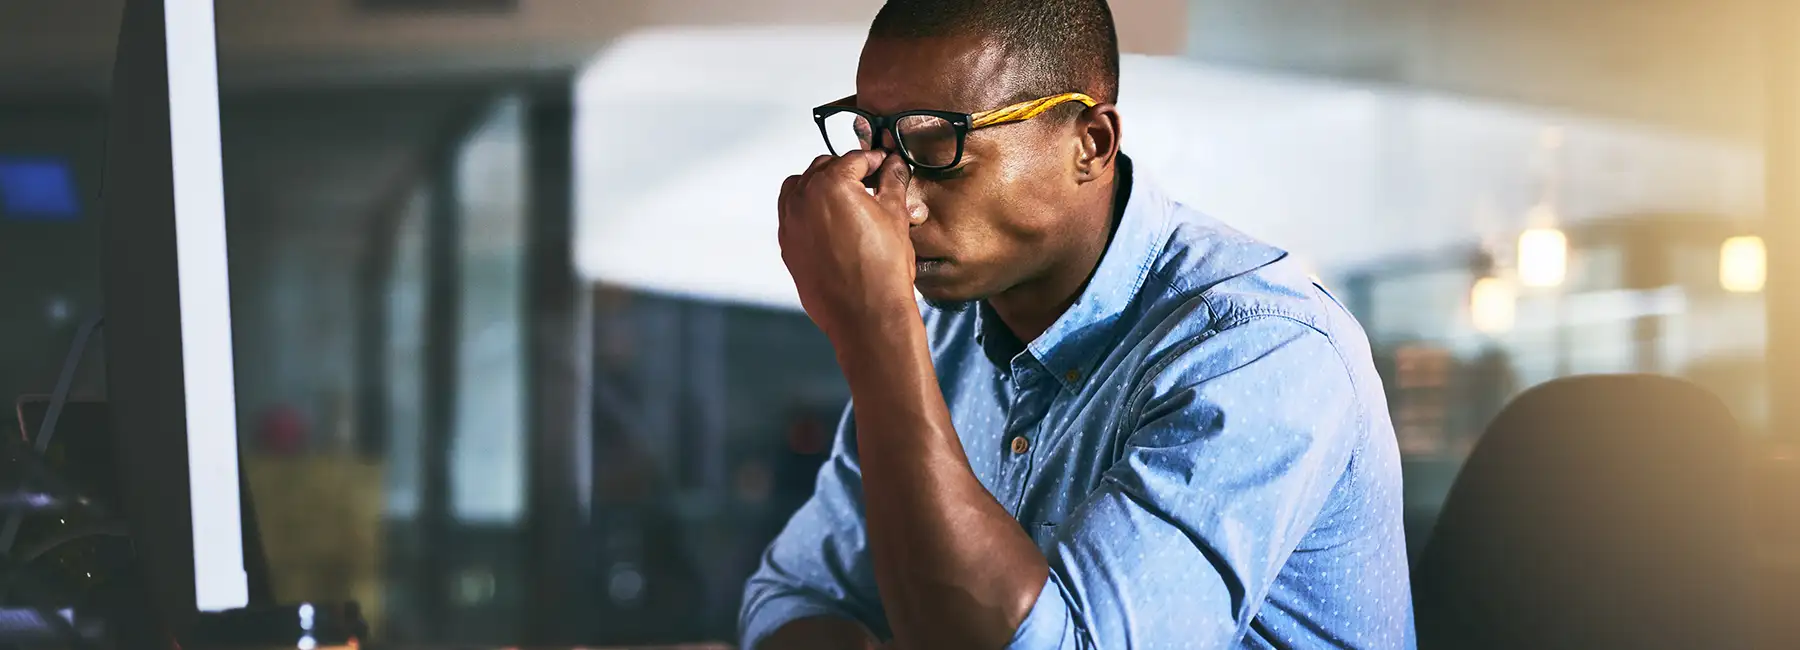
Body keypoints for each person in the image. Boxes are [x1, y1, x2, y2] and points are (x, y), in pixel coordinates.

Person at [742, 1, 1413, 648]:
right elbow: (791, 595)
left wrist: (877, 329)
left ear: (1089, 144)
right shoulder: (946, 336)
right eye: (875, 148)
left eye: (939, 149)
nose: (900, 204)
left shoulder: (1262, 350)